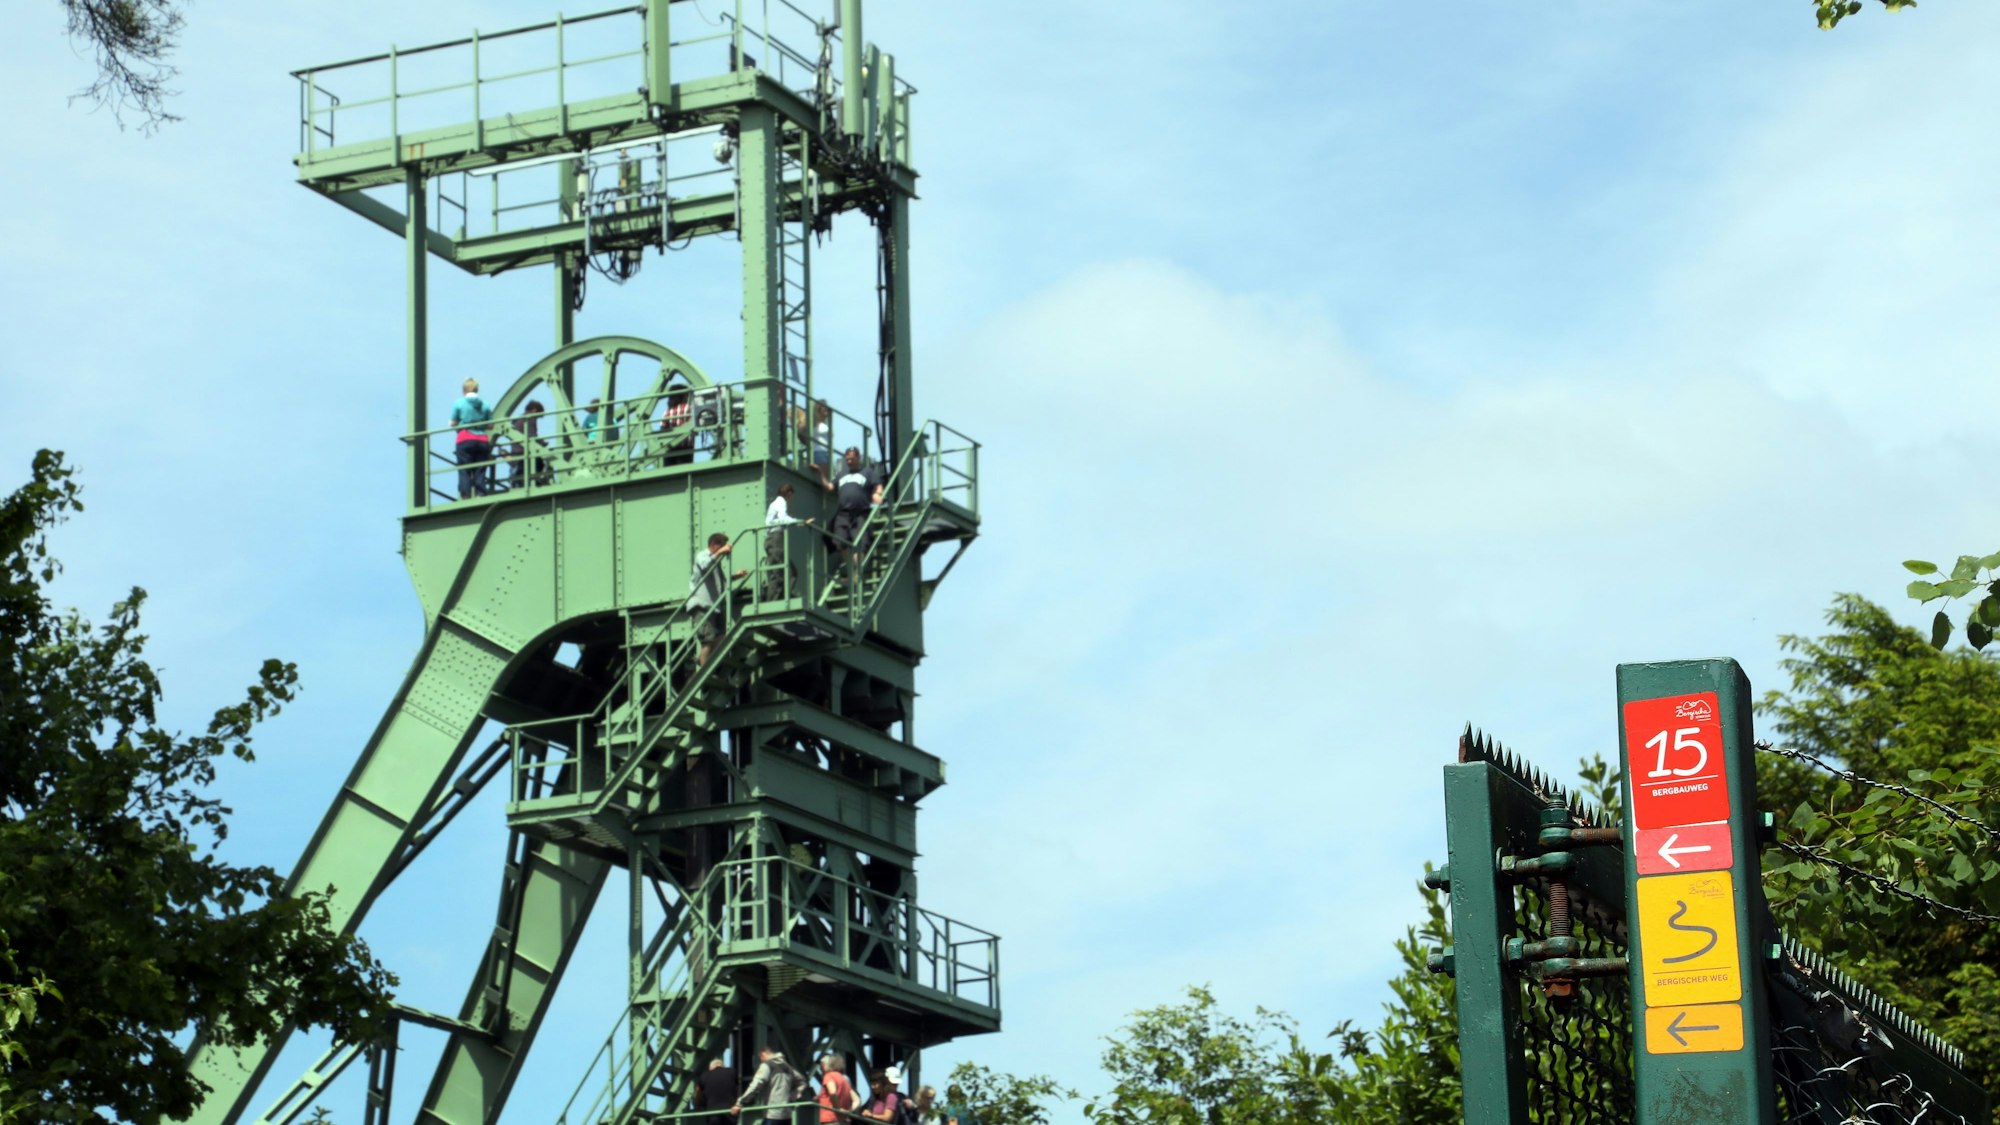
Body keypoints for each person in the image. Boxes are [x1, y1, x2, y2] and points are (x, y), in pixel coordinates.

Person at [821, 447, 885, 577]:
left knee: (861, 542)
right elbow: (830, 487)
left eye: (852, 457)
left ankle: (857, 570)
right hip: (843, 514)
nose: (849, 460)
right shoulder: (841, 474)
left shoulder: (867, 472)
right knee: (839, 542)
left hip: (860, 512)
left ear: (858, 457)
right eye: (847, 457)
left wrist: (877, 494)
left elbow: (877, 485)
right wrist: (819, 473)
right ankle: (853, 569)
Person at [689, 532, 748, 667]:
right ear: (714, 545)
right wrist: (720, 552)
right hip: (701, 605)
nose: (724, 549)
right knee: (708, 640)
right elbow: (704, 565)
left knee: (722, 637)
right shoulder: (702, 555)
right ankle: (704, 672)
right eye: (721, 545)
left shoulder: (716, 561)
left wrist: (736, 576)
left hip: (714, 606)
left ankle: (701, 659)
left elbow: (721, 581)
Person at [764, 483, 815, 601]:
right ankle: (774, 602)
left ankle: (781, 597)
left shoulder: (775, 503)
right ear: (789, 494)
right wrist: (802, 522)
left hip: (773, 539)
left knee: (788, 572)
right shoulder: (781, 502)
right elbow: (783, 518)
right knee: (779, 573)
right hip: (775, 538)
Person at [734, 1045, 806, 1123]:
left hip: (772, 1114)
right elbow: (802, 1082)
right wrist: (791, 1097)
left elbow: (756, 1086)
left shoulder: (767, 1065)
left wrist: (740, 1103)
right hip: (786, 1114)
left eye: (760, 1058)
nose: (761, 1061)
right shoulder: (788, 1067)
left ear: (763, 1054)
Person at [450, 378, 494, 499]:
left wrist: (458, 425)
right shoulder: (485, 404)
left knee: (464, 468)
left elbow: (453, 422)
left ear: (464, 390)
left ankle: (465, 494)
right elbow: (491, 425)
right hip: (482, 439)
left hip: (465, 438)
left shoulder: (459, 403)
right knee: (480, 468)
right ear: (477, 389)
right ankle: (481, 492)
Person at [815, 1053, 857, 1125]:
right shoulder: (844, 1079)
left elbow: (833, 1092)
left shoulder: (829, 1076)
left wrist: (838, 1109)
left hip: (830, 1119)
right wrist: (850, 1111)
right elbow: (856, 1099)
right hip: (844, 1121)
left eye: (823, 1064)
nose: (821, 1067)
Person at [696, 1058, 740, 1123]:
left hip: (712, 1113)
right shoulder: (732, 1071)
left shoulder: (704, 1076)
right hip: (730, 1112)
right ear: (722, 1065)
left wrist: (699, 1106)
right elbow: (737, 1088)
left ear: (711, 1068)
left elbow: (698, 1093)